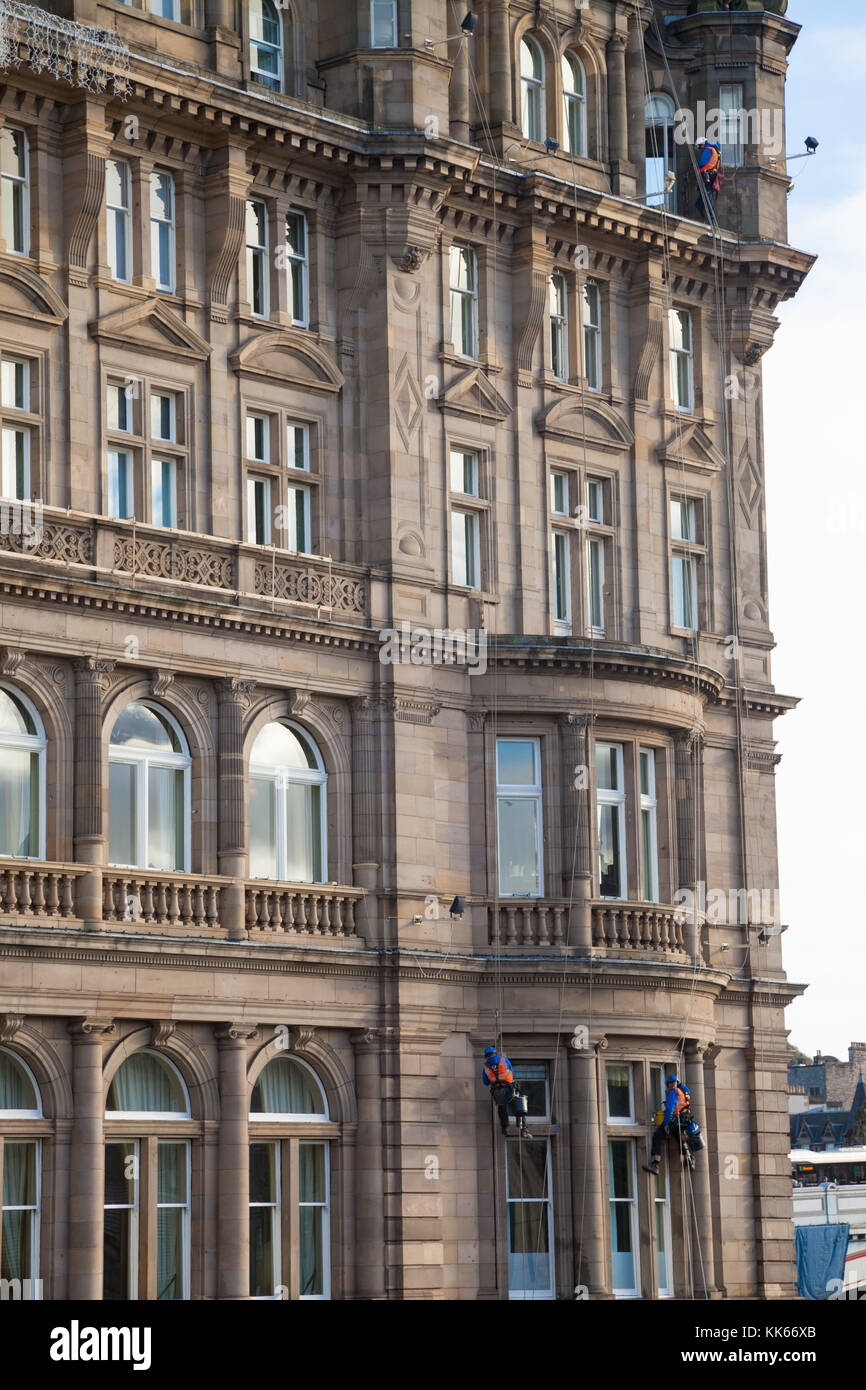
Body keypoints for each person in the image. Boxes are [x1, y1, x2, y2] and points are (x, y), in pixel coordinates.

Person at [643, 1074, 702, 1174]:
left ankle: (655, 1164)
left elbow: (670, 1109)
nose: (669, 1086)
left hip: (676, 1119)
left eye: (670, 1084)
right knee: (680, 1138)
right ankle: (689, 1157)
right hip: (685, 1119)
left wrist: (666, 1123)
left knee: (658, 1135)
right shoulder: (684, 1091)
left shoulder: (673, 1092)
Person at [482, 1045, 530, 1137]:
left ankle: (505, 1128)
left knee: (502, 1109)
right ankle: (524, 1129)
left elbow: (485, 1082)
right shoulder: (503, 1060)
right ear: (495, 1053)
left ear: (486, 1056)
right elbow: (512, 1071)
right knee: (518, 1106)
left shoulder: (486, 1067)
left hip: (497, 1092)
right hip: (509, 1089)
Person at [695, 138, 722, 222]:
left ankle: (712, 218)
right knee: (703, 196)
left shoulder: (707, 149)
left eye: (700, 147)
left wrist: (696, 165)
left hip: (708, 174)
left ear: (702, 144)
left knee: (708, 194)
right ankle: (699, 206)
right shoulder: (715, 150)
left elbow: (702, 163)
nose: (700, 149)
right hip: (712, 174)